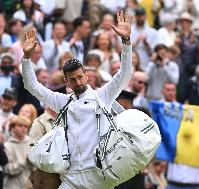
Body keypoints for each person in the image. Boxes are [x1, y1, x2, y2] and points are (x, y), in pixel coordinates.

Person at [22, 11, 133, 189]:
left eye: (80, 76)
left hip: (100, 176)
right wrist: (27, 58)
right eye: (73, 79)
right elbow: (32, 86)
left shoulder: (102, 96)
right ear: (66, 81)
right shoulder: (62, 102)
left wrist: (126, 42)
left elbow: (125, 73)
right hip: (71, 177)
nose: (78, 81)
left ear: (86, 75)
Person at [28, 107, 61, 189]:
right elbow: (33, 153)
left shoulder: (64, 120)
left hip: (63, 174)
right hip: (45, 175)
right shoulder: (39, 123)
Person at [3, 116, 32, 189]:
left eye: (26, 126)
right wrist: (25, 161)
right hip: (12, 185)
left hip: (28, 185)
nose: (23, 128)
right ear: (12, 128)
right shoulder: (7, 146)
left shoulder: (31, 143)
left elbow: (34, 168)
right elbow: (7, 169)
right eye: (20, 125)